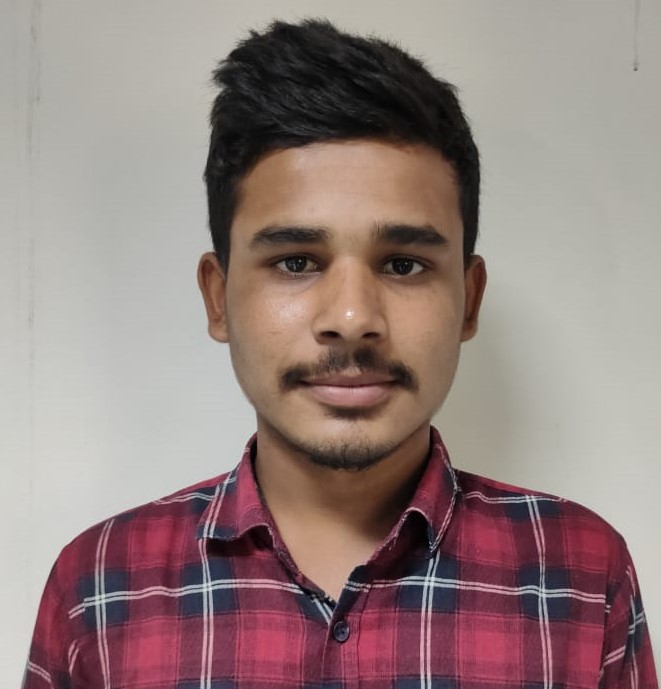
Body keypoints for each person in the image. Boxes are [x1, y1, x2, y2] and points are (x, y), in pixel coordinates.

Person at [23, 18, 657, 689]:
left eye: (403, 264)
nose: (352, 320)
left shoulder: (582, 577)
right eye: (296, 261)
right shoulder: (98, 589)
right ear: (218, 299)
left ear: (468, 301)